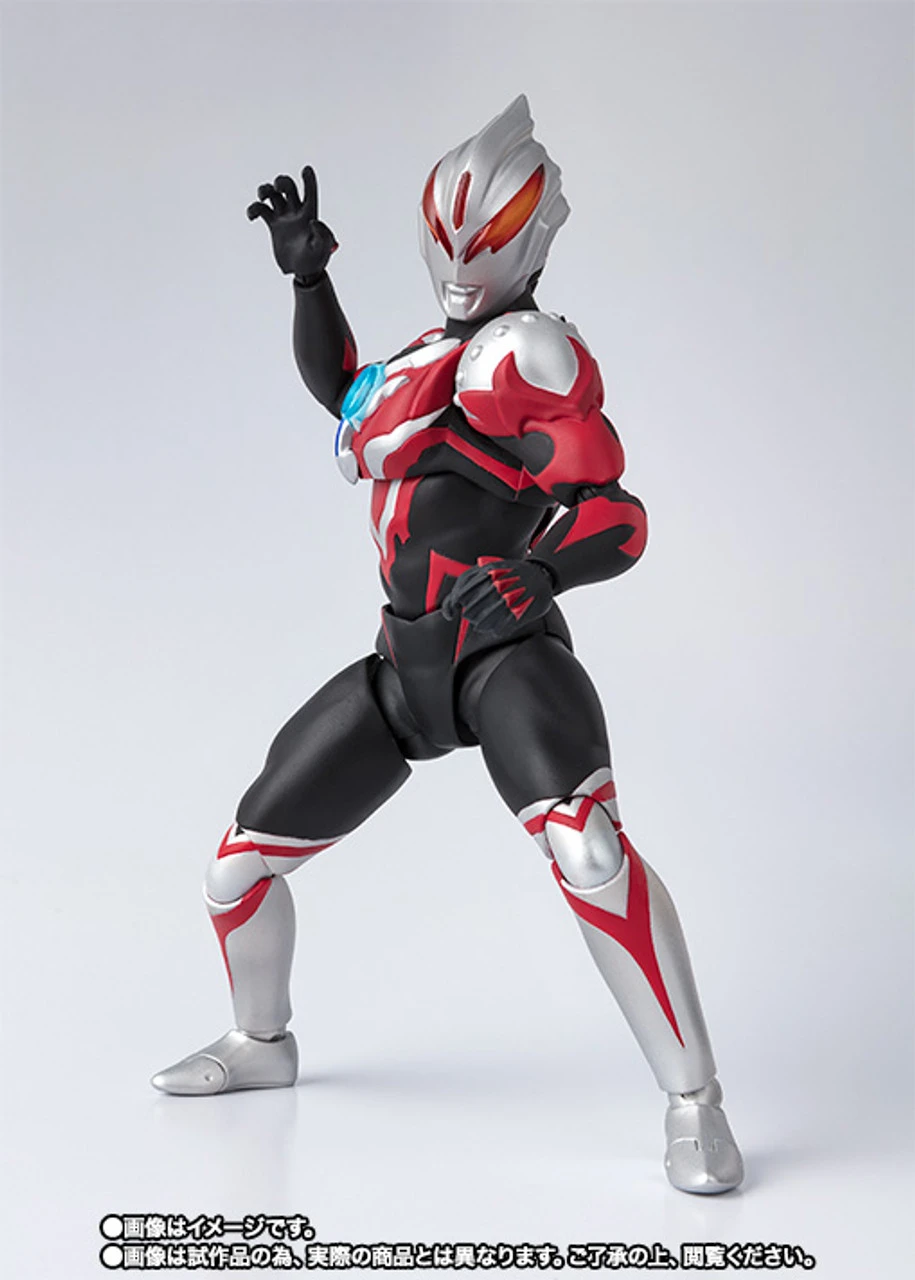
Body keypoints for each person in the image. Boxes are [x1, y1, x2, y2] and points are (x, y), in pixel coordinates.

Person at [153, 96, 743, 1195]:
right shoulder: (427, 357)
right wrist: (309, 280)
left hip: (504, 651)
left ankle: (694, 1103)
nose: (466, 262)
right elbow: (344, 394)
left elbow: (617, 514)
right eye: (451, 237)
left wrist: (545, 569)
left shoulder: (532, 357)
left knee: (590, 853)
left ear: (533, 237)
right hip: (406, 663)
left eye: (490, 238)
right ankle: (261, 1043)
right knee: (236, 869)